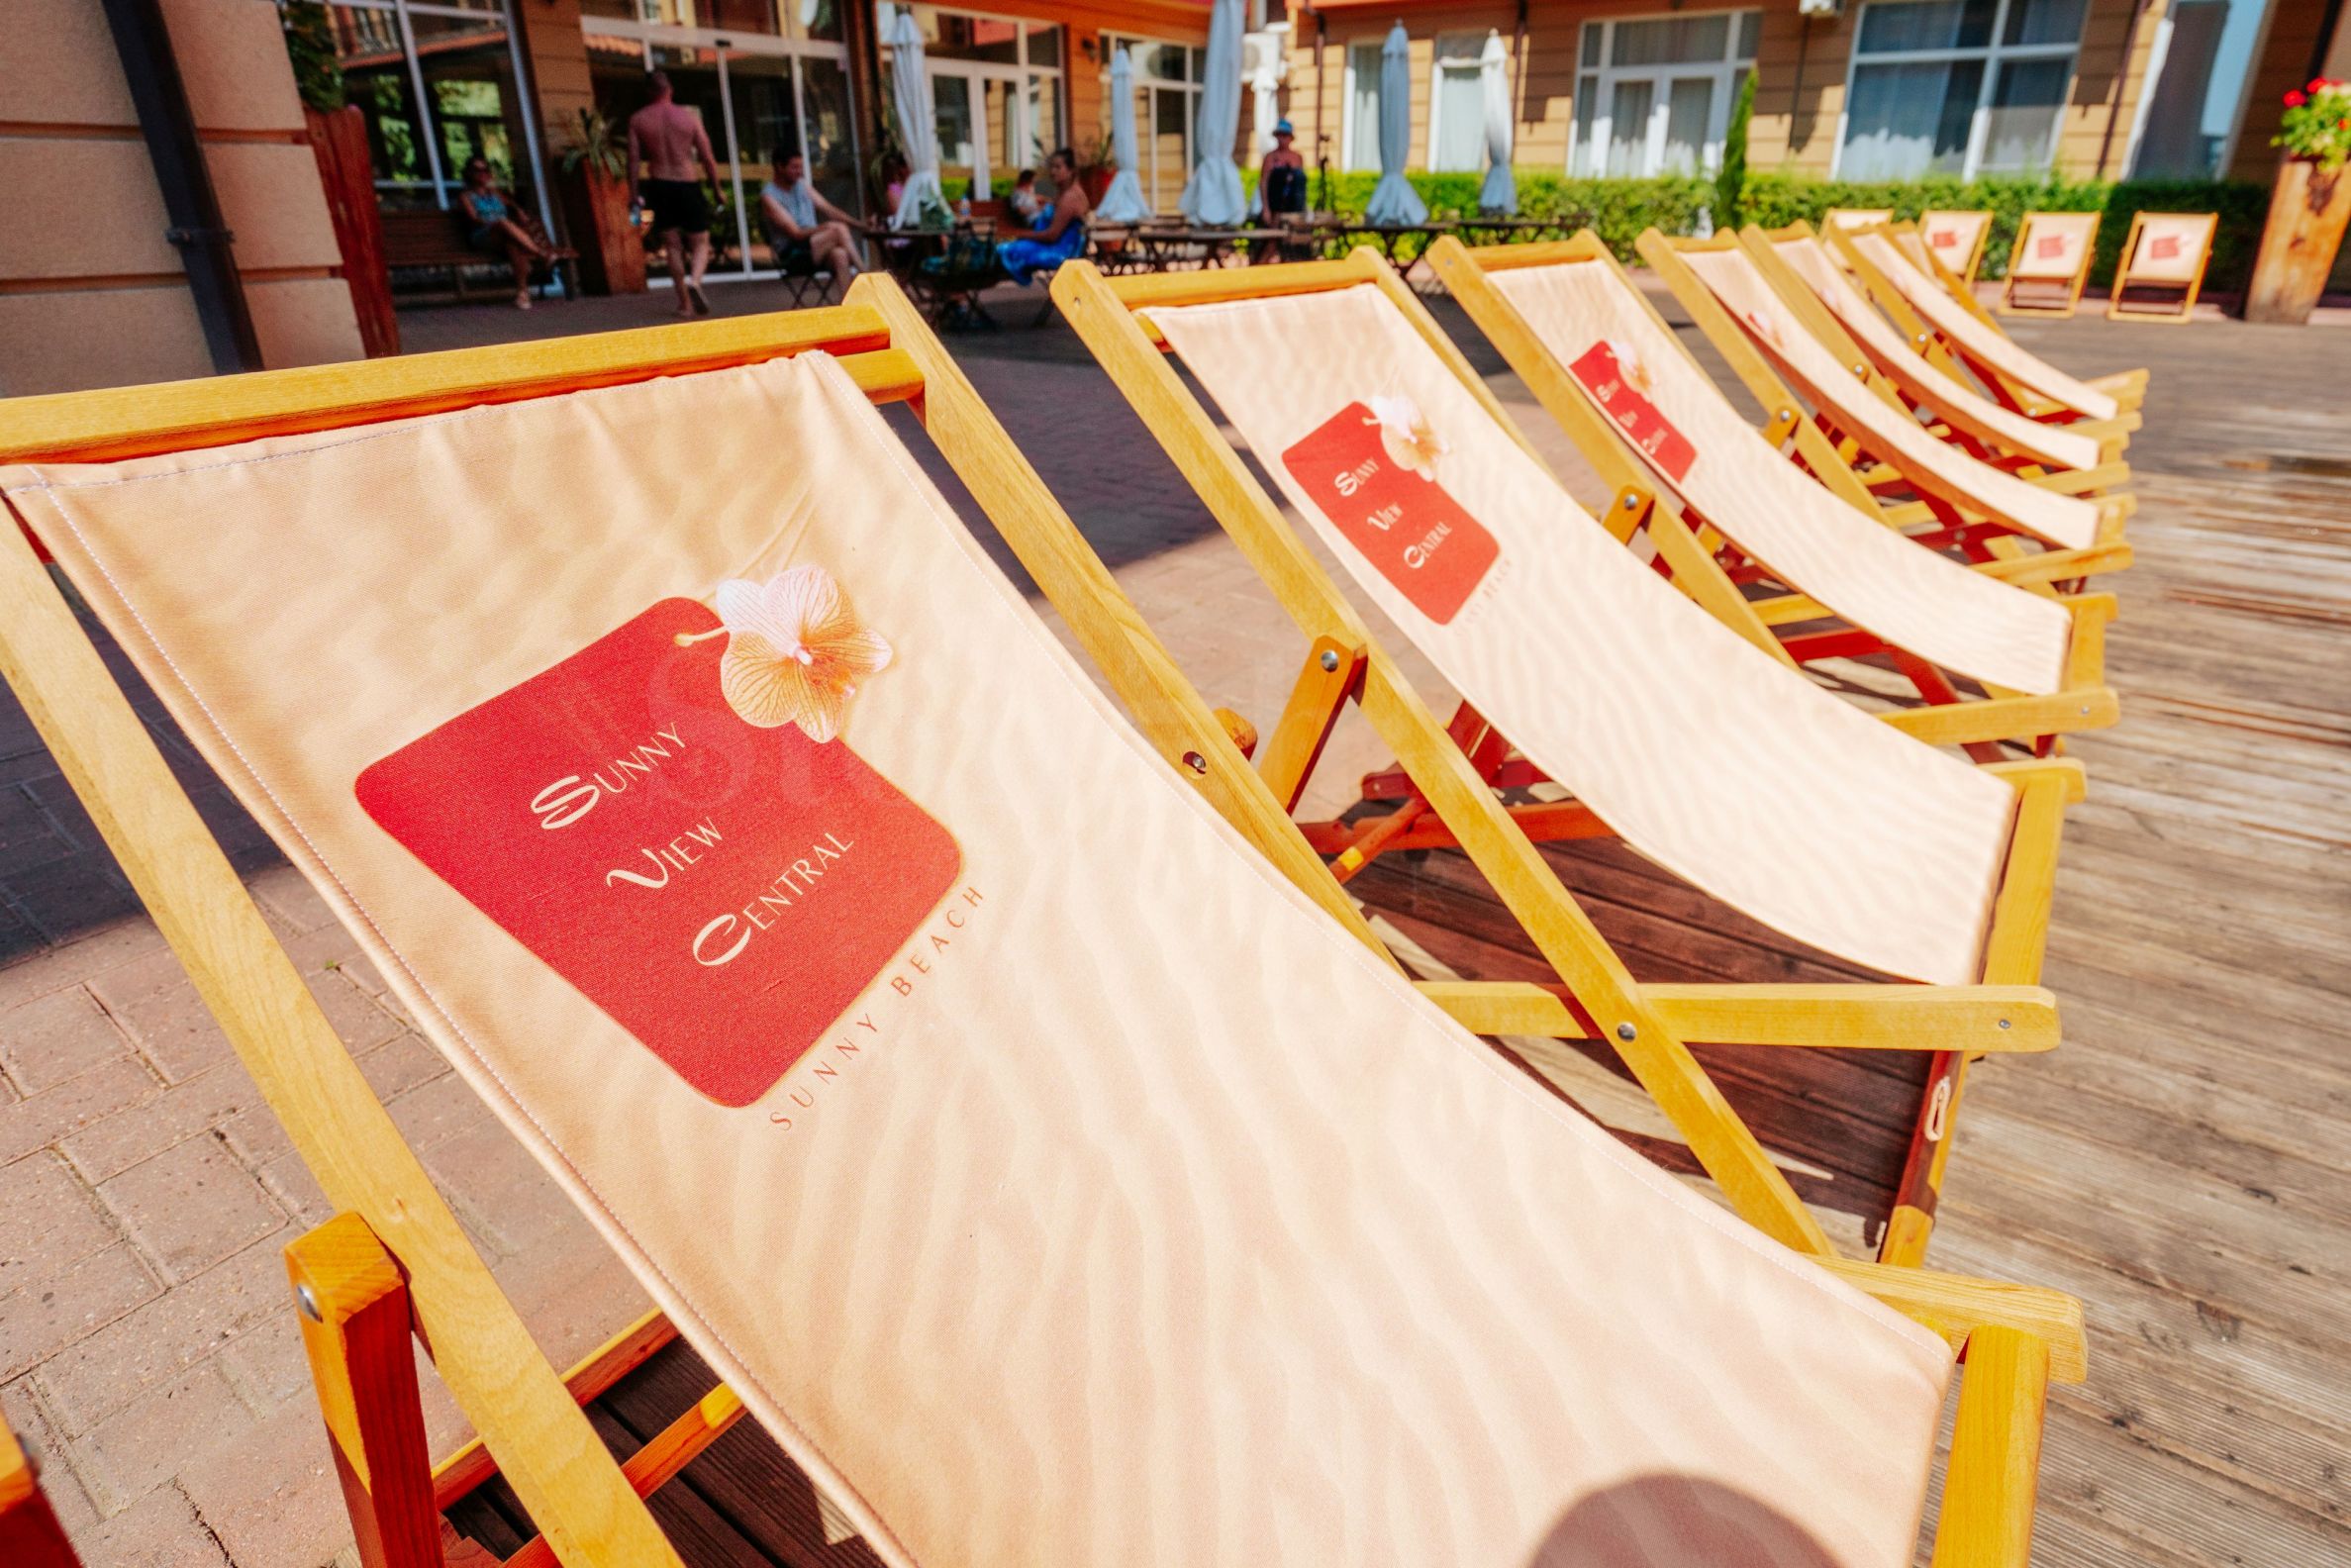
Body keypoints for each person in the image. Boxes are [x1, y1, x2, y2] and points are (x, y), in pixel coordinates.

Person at [628, 70, 722, 317]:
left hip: (660, 184)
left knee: (672, 245)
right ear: (670, 90)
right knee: (700, 241)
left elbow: (633, 160)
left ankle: (685, 304)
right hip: (687, 183)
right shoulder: (688, 117)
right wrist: (717, 189)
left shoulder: (639, 119)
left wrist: (633, 193)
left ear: (649, 92)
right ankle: (695, 281)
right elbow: (707, 158)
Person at [456, 156, 555, 309]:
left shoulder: (495, 193)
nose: (482, 173)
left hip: (504, 235)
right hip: (483, 235)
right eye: (477, 170)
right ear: (469, 173)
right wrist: (494, 223)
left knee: (512, 245)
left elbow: (511, 203)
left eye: (485, 170)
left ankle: (522, 294)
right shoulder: (466, 196)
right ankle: (541, 253)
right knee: (503, 223)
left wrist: (518, 210)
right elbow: (474, 218)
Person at [759, 152, 859, 290]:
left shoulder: (801, 185)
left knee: (840, 255)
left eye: (801, 167)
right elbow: (796, 234)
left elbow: (829, 209)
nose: (799, 172)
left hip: (813, 246)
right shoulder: (769, 196)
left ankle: (848, 301)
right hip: (792, 254)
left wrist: (861, 225)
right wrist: (826, 226)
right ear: (780, 167)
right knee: (837, 229)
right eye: (794, 167)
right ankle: (864, 271)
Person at [996, 147, 1090, 286]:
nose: (1052, 172)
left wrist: (1020, 234)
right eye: (1051, 167)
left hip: (1058, 252)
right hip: (1050, 246)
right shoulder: (1064, 194)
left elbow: (1052, 235)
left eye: (1058, 167)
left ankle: (970, 292)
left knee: (1002, 251)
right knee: (1000, 251)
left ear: (1070, 171)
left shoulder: (1070, 198)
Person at [1257, 119, 1308, 224]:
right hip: (1275, 204)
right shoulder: (1270, 157)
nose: (1281, 139)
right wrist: (1266, 208)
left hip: (1293, 205)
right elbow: (1263, 182)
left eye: (1284, 136)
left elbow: (1301, 186)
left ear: (1290, 138)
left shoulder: (1297, 157)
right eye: (1279, 135)